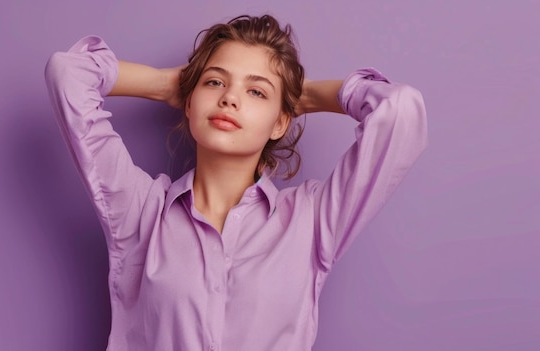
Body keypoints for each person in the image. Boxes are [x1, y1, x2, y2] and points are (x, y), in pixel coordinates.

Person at [44, 14, 427, 351]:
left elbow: (401, 111)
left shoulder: (310, 222)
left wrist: (305, 95)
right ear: (189, 101)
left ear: (281, 122)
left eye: (256, 91)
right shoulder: (140, 211)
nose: (230, 98)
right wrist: (163, 83)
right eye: (214, 82)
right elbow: (68, 73)